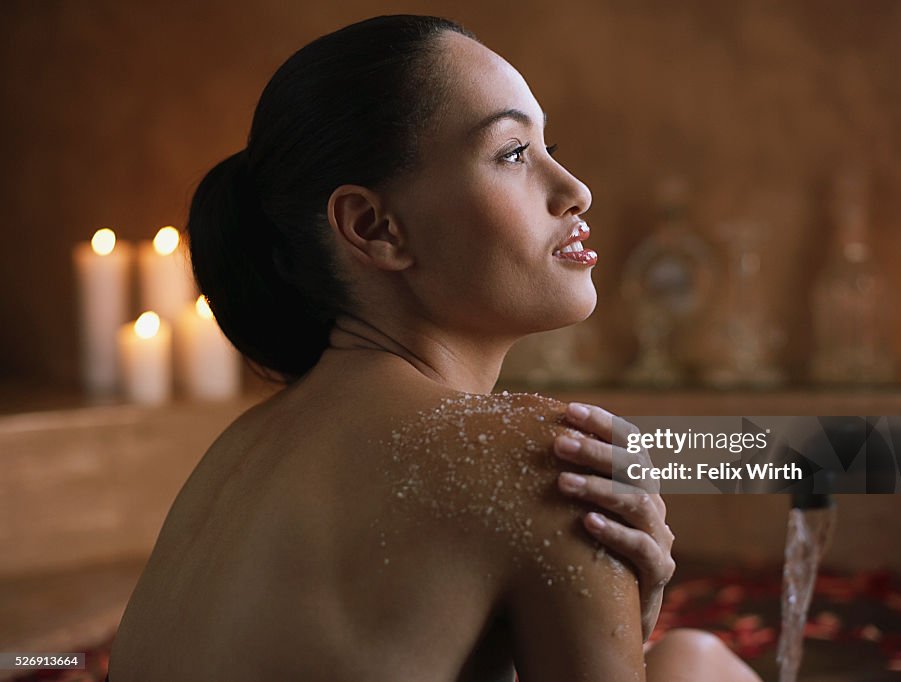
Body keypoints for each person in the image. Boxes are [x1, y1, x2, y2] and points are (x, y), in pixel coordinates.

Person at [107, 15, 762, 682]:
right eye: (511, 153)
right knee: (693, 666)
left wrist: (620, 615)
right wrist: (626, 610)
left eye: (548, 147)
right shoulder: (544, 459)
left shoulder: (235, 453)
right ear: (374, 227)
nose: (574, 191)